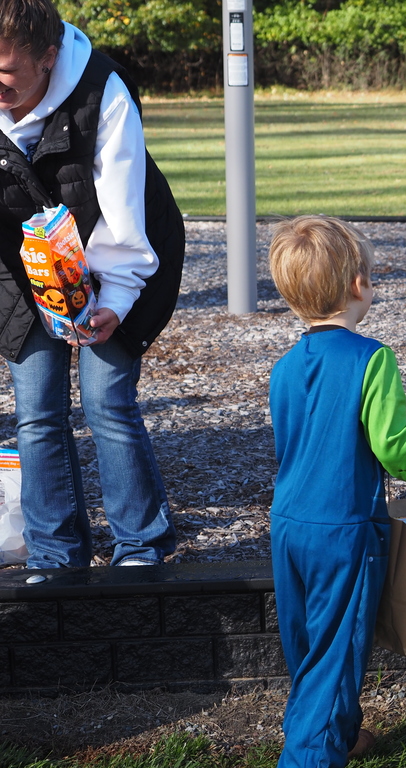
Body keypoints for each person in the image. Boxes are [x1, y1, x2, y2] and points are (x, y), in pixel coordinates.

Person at [268, 216, 406, 768]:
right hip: (344, 528)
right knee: (336, 653)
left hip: (288, 524)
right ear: (359, 284)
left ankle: (340, 733)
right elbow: (394, 446)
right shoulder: (371, 358)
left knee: (309, 646)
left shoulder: (283, 368)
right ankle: (309, 756)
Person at [0, 0, 184, 568]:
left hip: (117, 257)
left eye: (6, 71)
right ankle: (55, 555)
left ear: (48, 57)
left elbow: (124, 212)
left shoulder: (103, 92)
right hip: (22, 267)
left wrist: (117, 299)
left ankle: (141, 545)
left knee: (106, 399)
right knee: (36, 410)